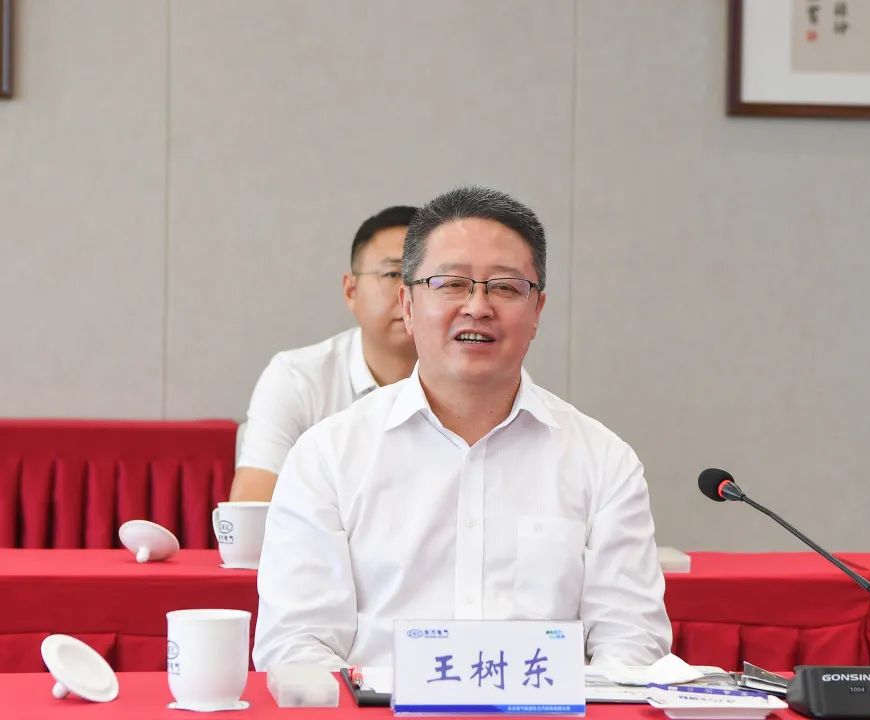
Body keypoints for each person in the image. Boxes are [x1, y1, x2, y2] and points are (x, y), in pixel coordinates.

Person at [253, 187, 671, 669]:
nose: (478, 306)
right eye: (451, 283)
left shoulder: (603, 461)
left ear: (537, 311)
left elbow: (631, 642)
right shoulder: (327, 455)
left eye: (506, 287)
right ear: (408, 305)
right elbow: (296, 644)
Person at [228, 205, 419, 502]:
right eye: (393, 273)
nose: (408, 293)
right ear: (351, 291)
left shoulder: (478, 380)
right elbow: (253, 510)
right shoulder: (298, 380)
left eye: (425, 278)